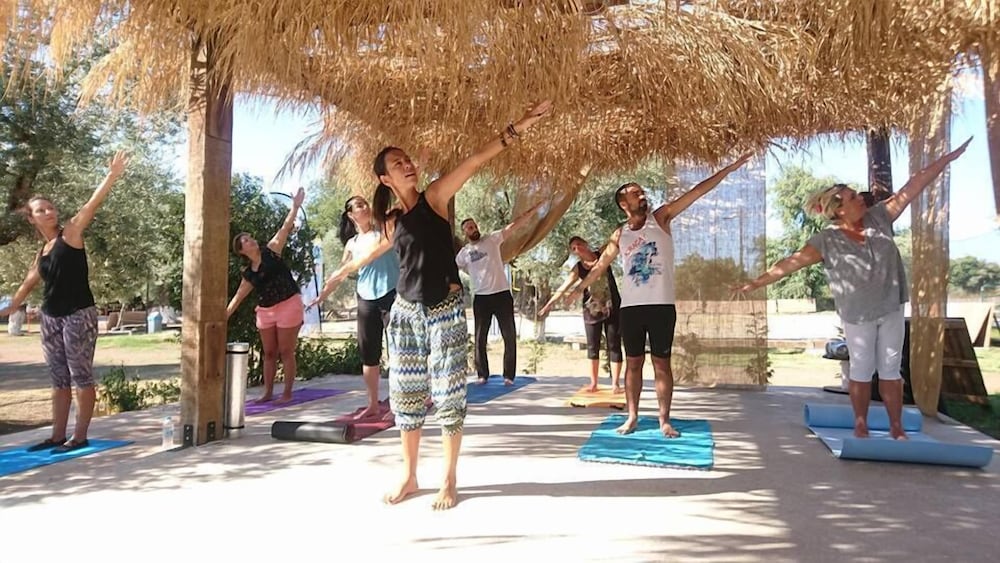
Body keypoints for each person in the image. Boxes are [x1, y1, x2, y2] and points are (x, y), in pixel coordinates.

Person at [371, 99, 552, 510]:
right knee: (406, 397)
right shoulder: (391, 222)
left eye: (408, 160)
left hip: (444, 311)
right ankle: (409, 476)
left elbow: (475, 160)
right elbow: (373, 253)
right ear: (385, 178)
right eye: (398, 163)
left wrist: (520, 125)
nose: (407, 165)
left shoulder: (435, 197)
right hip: (405, 315)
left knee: (449, 395)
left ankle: (448, 479)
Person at [736, 139, 971, 439]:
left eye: (856, 194)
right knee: (861, 367)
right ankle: (860, 423)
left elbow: (913, 185)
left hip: (891, 305)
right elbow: (790, 264)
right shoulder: (826, 240)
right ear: (839, 211)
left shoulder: (880, 216)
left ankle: (896, 426)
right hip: (857, 314)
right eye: (852, 197)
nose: (861, 198)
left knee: (890, 368)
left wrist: (946, 159)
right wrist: (754, 283)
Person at [569, 153, 753, 437]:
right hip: (631, 309)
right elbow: (600, 266)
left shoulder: (661, 217)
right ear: (624, 204)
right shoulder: (619, 235)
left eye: (642, 191)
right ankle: (632, 417)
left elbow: (697, 191)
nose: (642, 195)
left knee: (661, 364)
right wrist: (578, 289)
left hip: (661, 306)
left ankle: (664, 420)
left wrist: (730, 168)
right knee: (633, 364)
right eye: (635, 193)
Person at [0, 150, 130, 453]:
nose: (48, 212)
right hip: (51, 317)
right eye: (41, 210)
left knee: (80, 375)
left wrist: (111, 176)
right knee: (59, 378)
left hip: (78, 314)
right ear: (32, 218)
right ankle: (57, 435)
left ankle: (79, 436)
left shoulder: (70, 233)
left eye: (50, 207)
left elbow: (90, 206)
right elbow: (29, 282)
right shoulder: (43, 251)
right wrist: (10, 306)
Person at [310, 195, 399, 419]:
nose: (365, 207)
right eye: (359, 206)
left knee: (398, 350)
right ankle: (373, 404)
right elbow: (341, 273)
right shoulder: (352, 244)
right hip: (366, 298)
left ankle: (399, 403)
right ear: (351, 215)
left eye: (365, 203)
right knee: (369, 354)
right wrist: (321, 296)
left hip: (392, 293)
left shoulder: (384, 231)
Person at [226, 187, 306, 404]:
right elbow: (238, 297)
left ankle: (287, 394)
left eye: (250, 238)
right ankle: (268, 392)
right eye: (245, 241)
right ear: (241, 251)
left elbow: (285, 228)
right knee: (269, 352)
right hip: (266, 311)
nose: (250, 241)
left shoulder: (271, 250)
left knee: (286, 351)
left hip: (288, 304)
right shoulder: (249, 273)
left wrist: (295, 207)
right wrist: (225, 316)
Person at [456, 201, 544, 385]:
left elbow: (513, 226)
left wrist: (533, 210)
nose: (474, 229)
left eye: (474, 226)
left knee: (509, 335)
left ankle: (508, 376)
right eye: (469, 228)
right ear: (465, 232)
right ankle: (482, 374)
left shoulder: (492, 239)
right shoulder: (464, 253)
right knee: (480, 337)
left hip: (501, 294)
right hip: (481, 298)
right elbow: (458, 268)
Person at [539, 236, 623, 393]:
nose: (577, 248)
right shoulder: (578, 268)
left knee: (614, 344)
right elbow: (564, 287)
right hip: (591, 310)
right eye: (573, 248)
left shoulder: (602, 254)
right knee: (593, 346)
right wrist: (550, 304)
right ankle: (594, 383)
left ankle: (616, 384)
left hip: (611, 307)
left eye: (579, 244)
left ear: (586, 243)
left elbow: (614, 240)